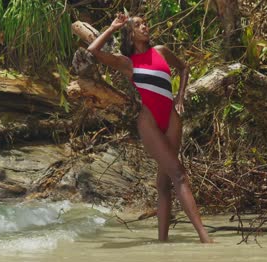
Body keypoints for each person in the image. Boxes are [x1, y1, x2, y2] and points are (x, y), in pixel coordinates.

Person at [87, 13, 212, 243]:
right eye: (138, 25)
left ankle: (162, 243)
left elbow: (184, 69)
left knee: (165, 183)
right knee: (180, 175)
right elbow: (93, 50)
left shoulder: (162, 51)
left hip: (172, 119)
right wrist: (113, 27)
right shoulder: (128, 63)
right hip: (150, 122)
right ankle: (206, 239)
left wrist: (180, 97)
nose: (145, 27)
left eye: (146, 23)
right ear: (131, 33)